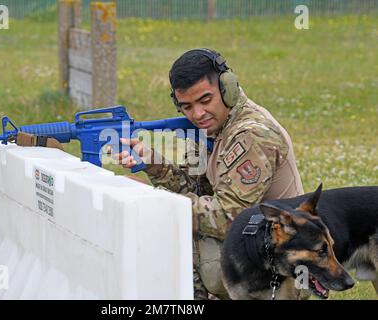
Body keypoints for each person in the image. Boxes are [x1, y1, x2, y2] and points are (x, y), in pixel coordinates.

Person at [113, 48, 305, 299]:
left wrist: (153, 198)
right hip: (255, 244)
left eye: (205, 100)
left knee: (174, 238)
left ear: (228, 88)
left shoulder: (254, 135)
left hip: (286, 263)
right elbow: (196, 190)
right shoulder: (209, 128)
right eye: (187, 106)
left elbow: (228, 218)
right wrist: (153, 164)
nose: (197, 114)